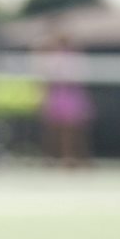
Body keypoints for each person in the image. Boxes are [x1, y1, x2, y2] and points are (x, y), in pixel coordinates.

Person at [35, 32, 93, 168]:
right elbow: (45, 77)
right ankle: (53, 158)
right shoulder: (51, 58)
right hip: (57, 96)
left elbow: (79, 75)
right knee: (53, 130)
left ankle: (74, 158)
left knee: (75, 130)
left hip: (71, 95)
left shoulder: (74, 57)